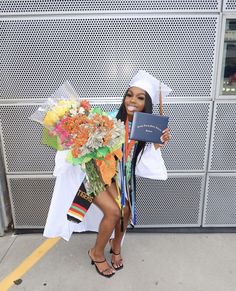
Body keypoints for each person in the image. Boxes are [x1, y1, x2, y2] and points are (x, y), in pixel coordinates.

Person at [43, 70, 171, 278]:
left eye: (140, 98)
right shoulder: (108, 119)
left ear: (146, 104)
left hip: (115, 178)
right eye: (129, 95)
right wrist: (71, 134)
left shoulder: (145, 129)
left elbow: (140, 162)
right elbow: (81, 143)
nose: (132, 100)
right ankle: (96, 253)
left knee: (126, 211)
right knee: (113, 212)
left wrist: (157, 143)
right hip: (94, 173)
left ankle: (116, 247)